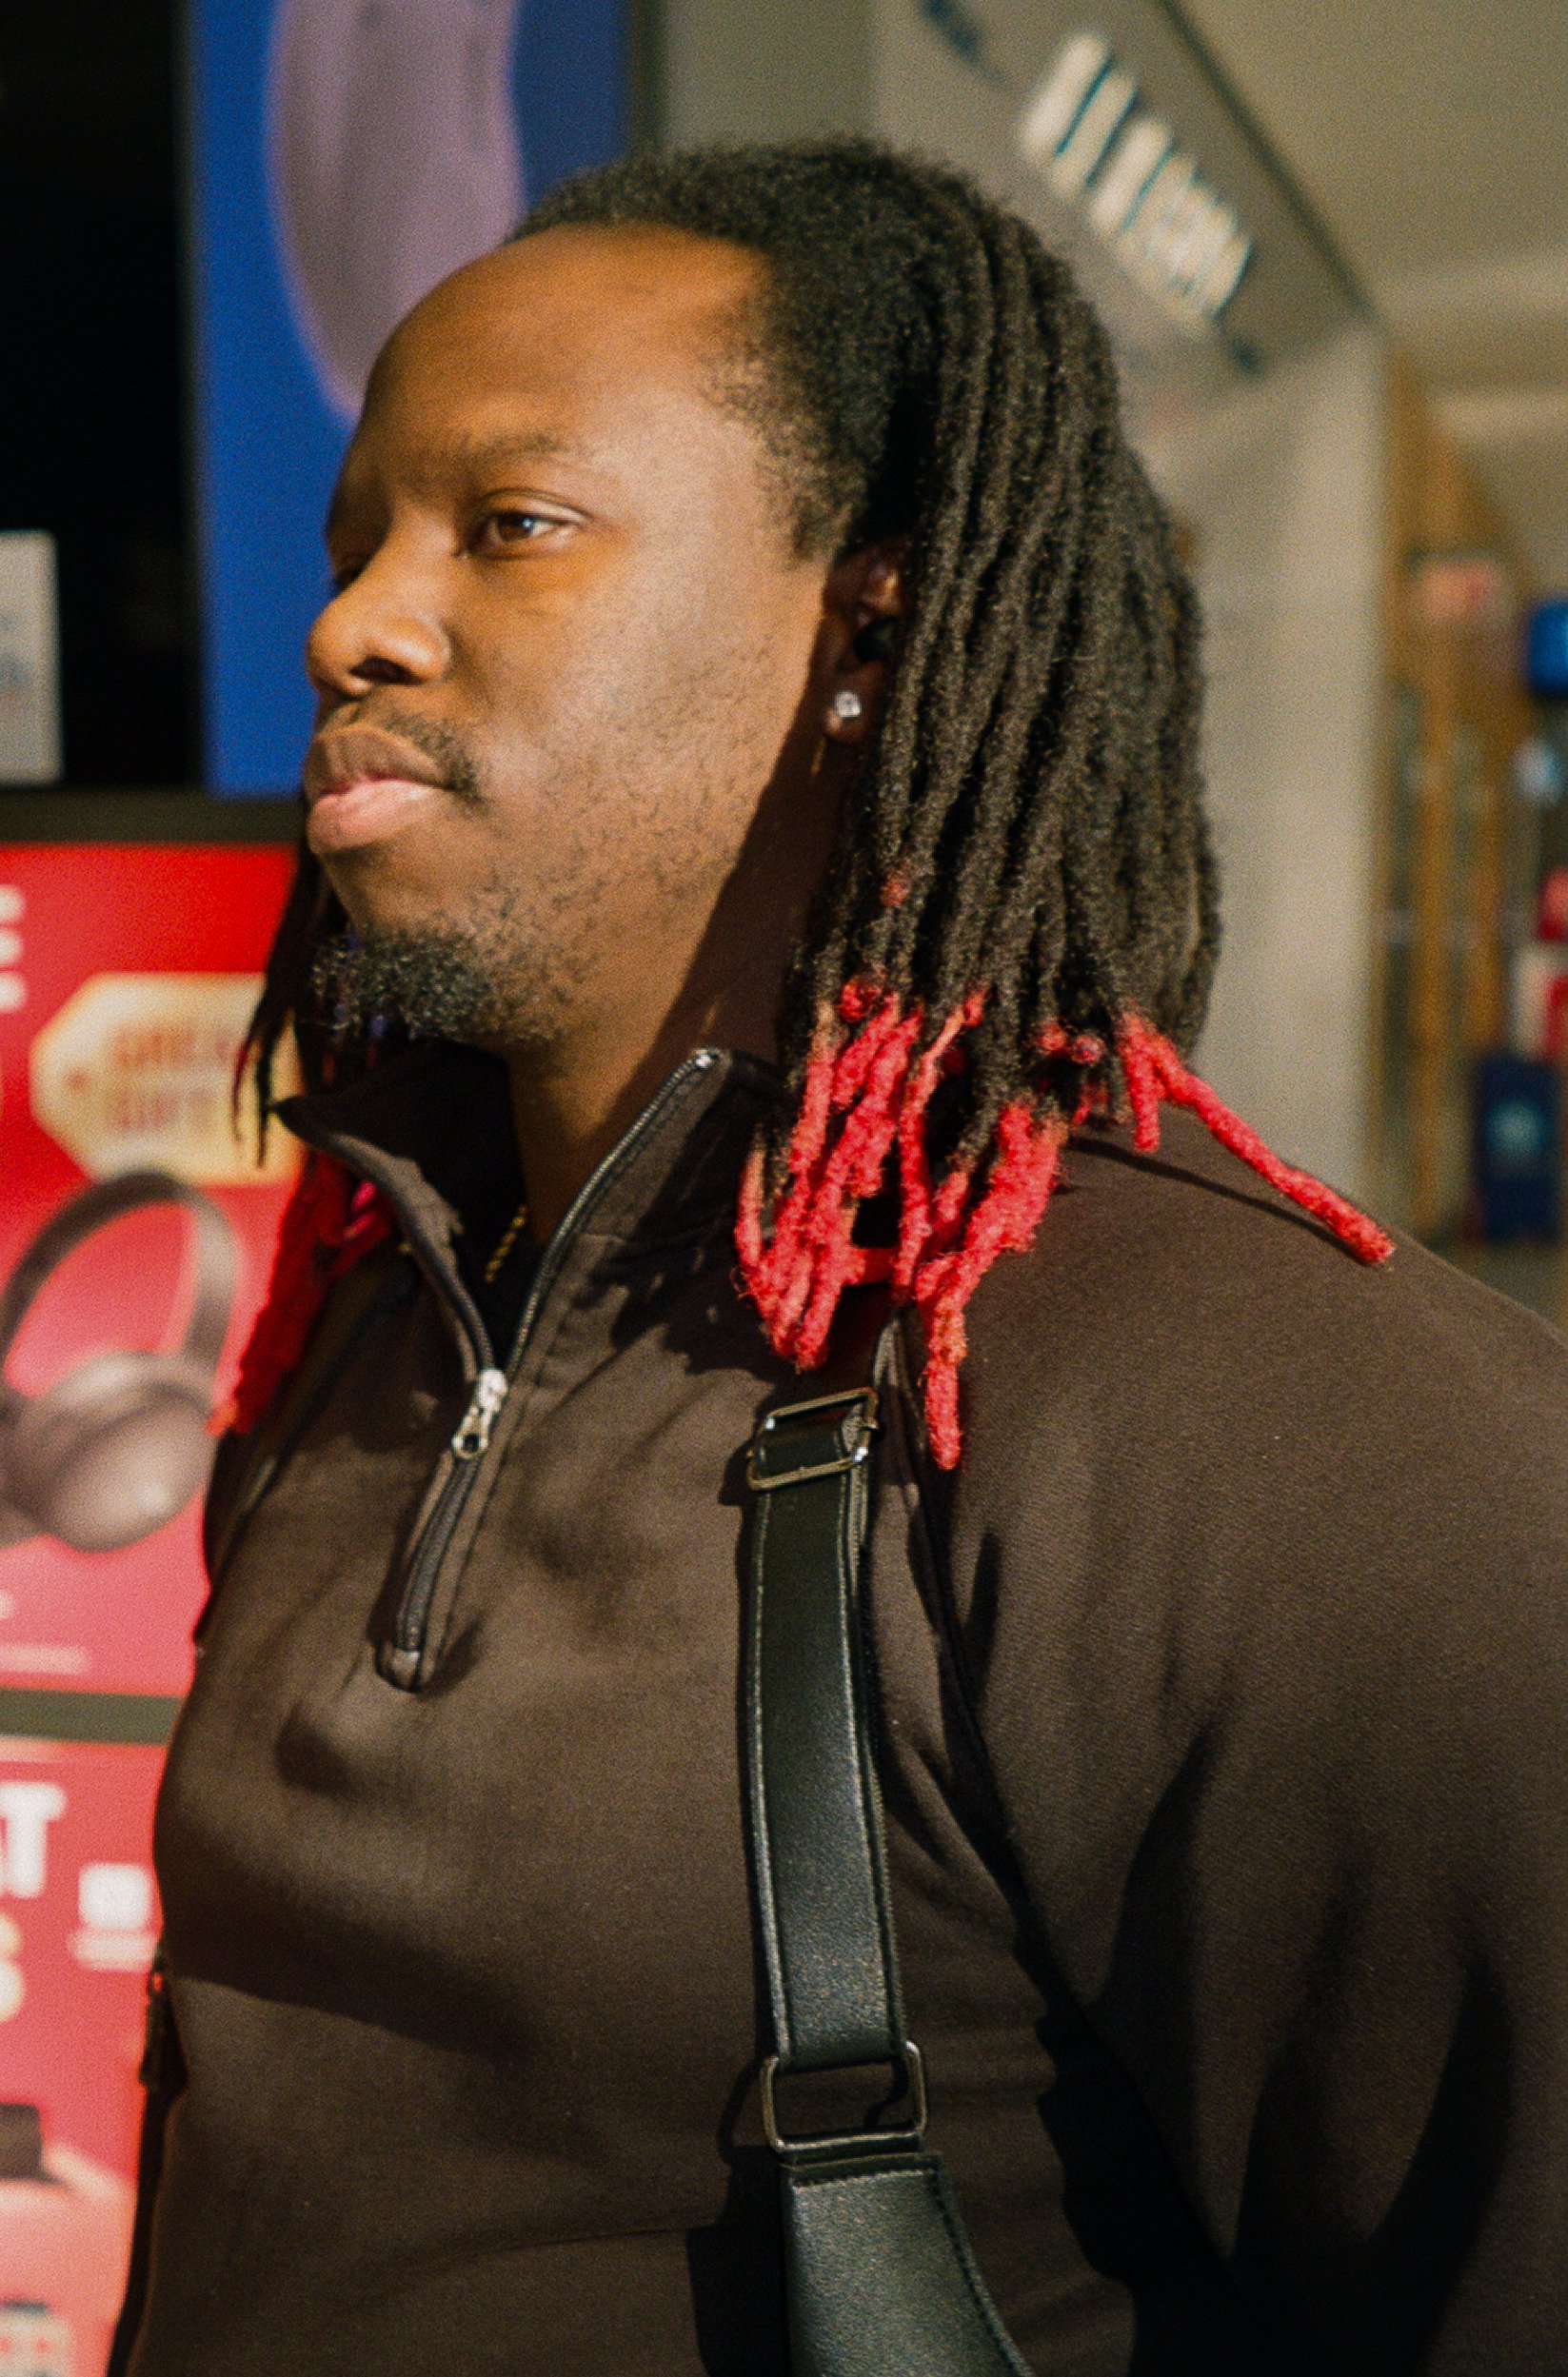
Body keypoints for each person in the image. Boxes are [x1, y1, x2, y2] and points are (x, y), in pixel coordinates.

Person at [113, 143, 1568, 2375]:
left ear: (863, 638)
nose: (351, 626)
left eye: (510, 525)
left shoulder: (1276, 1428)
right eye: (354, 543)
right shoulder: (367, 1310)